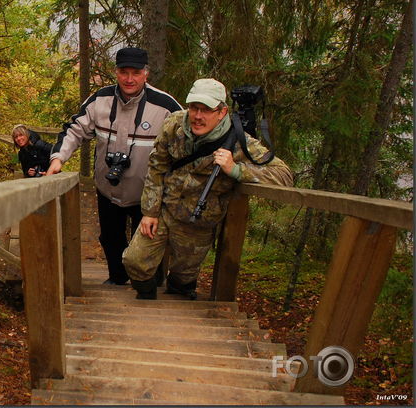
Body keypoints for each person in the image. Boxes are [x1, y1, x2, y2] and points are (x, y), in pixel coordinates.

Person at [122, 78, 293, 300]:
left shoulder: (239, 141)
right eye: (194, 107)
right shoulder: (174, 125)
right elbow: (157, 166)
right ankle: (146, 300)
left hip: (199, 221)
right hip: (165, 209)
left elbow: (284, 175)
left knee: (184, 275)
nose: (198, 116)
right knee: (134, 260)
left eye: (206, 110)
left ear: (222, 112)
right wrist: (149, 212)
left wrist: (236, 169)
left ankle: (179, 295)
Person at [45, 47, 182, 285]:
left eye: (136, 73)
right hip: (108, 188)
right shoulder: (100, 100)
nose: (130, 79)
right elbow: (74, 129)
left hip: (147, 194)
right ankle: (117, 279)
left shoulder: (165, 105)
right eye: (124, 72)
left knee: (149, 240)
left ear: (146, 74)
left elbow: (188, 140)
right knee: (110, 237)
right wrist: (58, 159)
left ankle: (150, 284)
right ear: (115, 72)